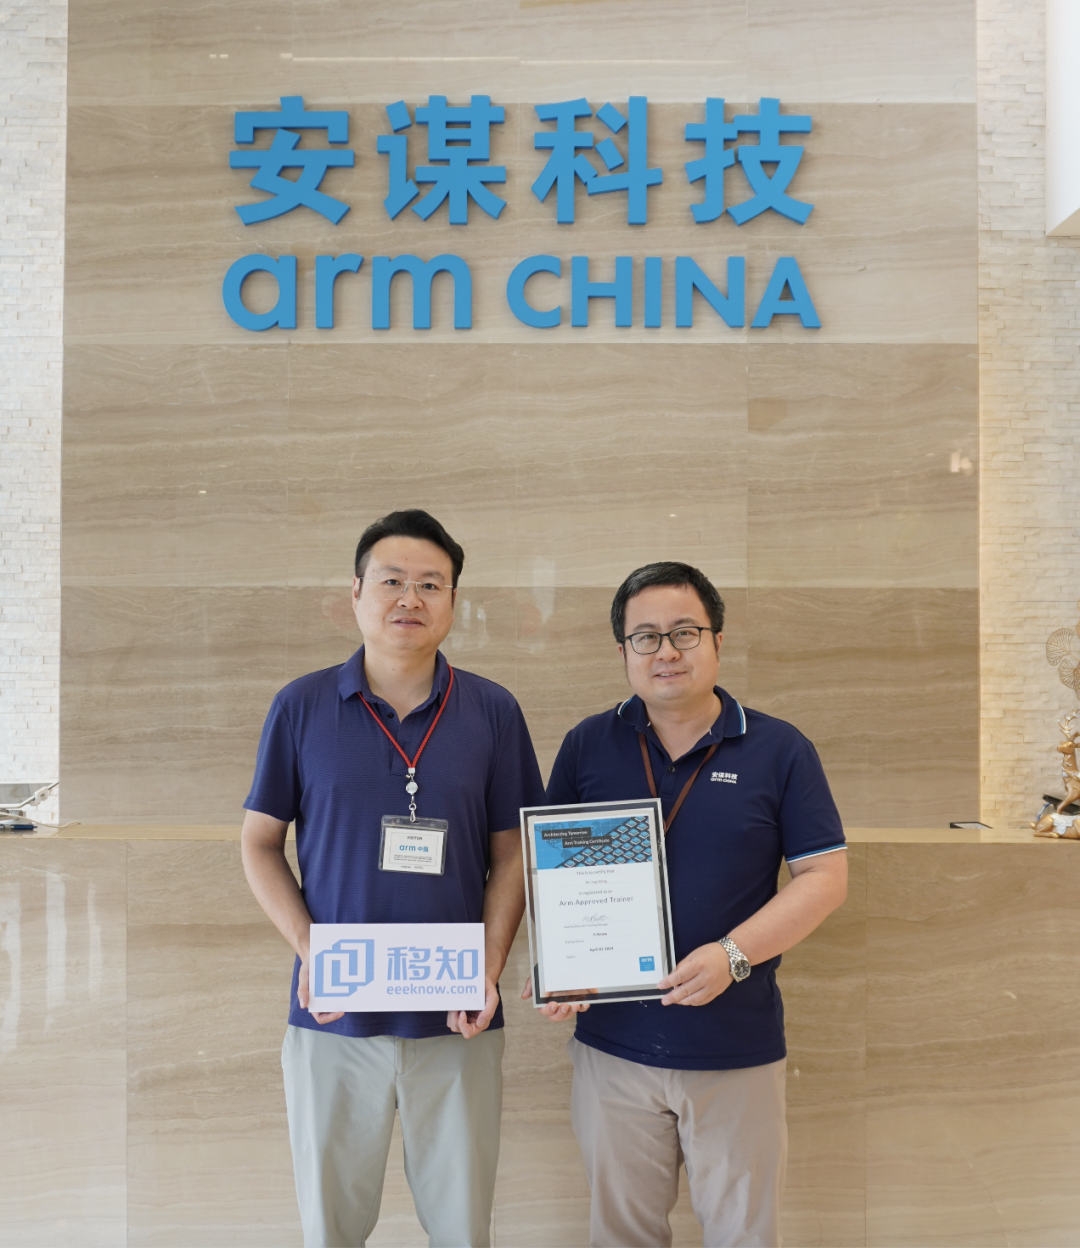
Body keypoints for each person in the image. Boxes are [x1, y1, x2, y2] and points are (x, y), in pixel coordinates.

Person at [241, 509, 545, 1248]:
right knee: (331, 1231)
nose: (411, 598)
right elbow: (259, 844)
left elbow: (513, 855)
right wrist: (313, 952)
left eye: (431, 584)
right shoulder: (301, 706)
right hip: (334, 1019)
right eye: (392, 581)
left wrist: (489, 969)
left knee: (463, 1230)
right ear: (356, 593)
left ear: (453, 601)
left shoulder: (494, 711)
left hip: (458, 1019)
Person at [524, 561, 848, 1248]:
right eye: (645, 637)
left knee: (743, 1236)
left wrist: (733, 955)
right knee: (622, 1235)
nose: (665, 651)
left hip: (735, 1048)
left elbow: (825, 877)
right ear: (624, 652)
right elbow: (552, 873)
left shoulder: (780, 749)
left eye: (683, 632)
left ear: (718, 641)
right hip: (612, 1051)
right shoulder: (588, 744)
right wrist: (556, 963)